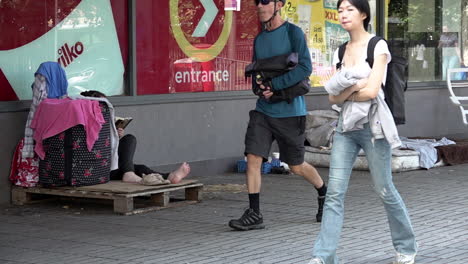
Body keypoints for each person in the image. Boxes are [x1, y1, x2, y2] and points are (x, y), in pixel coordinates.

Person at [308, 1, 417, 264]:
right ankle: (324, 257)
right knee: (334, 193)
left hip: (373, 128)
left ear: (363, 14)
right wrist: (353, 88)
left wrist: (348, 92)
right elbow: (333, 99)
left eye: (349, 9)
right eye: (341, 10)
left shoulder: (377, 45)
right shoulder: (340, 50)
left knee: (384, 189)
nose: (343, 14)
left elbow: (371, 91)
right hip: (346, 127)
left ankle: (406, 247)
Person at [228, 0, 327, 231]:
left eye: (265, 2)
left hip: (291, 111)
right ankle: (254, 213)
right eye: (257, 3)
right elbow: (258, 70)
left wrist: (276, 86)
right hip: (263, 110)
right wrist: (259, 86)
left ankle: (324, 192)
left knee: (296, 165)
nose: (259, 7)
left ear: (278, 4)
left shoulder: (293, 33)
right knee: (253, 157)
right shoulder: (259, 39)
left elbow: (305, 68)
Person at [80, 90, 190, 185]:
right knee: (129, 141)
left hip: (108, 165)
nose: (106, 109)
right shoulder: (83, 125)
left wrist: (116, 136)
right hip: (98, 169)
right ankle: (129, 174)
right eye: (102, 106)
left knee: (139, 167)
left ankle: (169, 177)